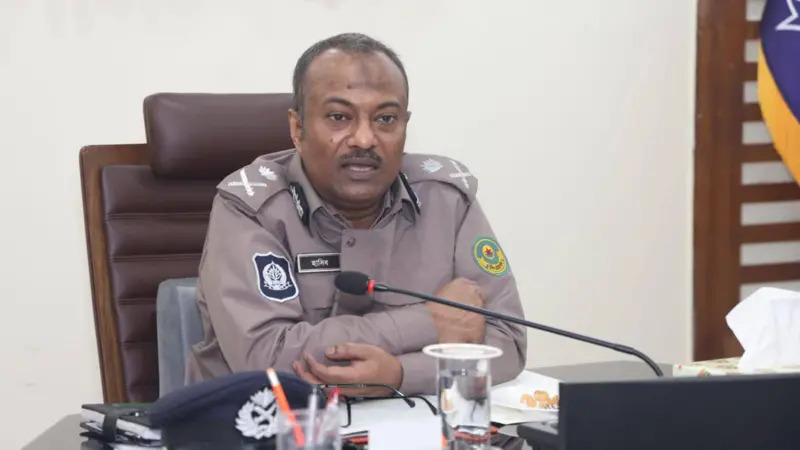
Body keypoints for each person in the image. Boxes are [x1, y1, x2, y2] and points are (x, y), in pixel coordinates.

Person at [185, 32, 527, 396]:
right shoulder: (251, 207)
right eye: (339, 117)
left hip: (410, 421)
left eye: (386, 119)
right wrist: (430, 320)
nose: (365, 139)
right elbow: (267, 356)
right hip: (262, 420)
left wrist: (400, 375)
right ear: (298, 129)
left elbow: (507, 341)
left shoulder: (447, 199)